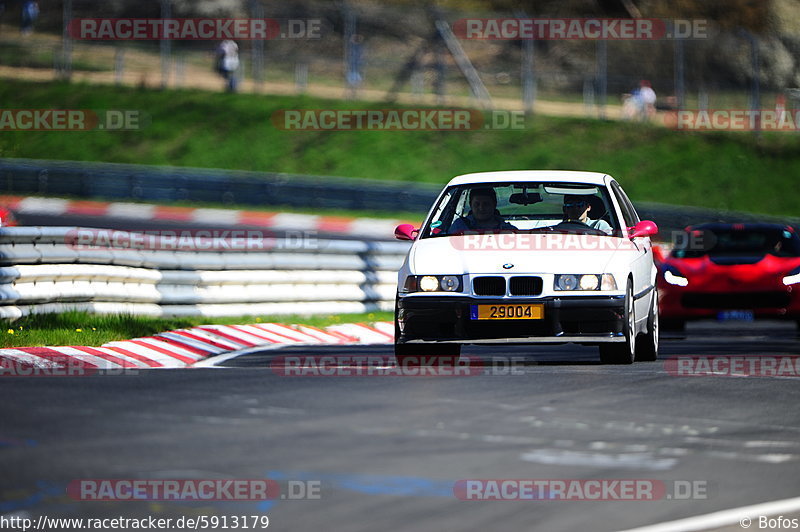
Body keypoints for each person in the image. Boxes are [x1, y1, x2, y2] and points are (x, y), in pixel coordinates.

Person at [450, 187, 516, 233]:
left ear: (494, 204)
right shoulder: (459, 226)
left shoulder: (510, 230)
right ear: (470, 204)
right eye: (477, 204)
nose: (481, 208)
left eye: (486, 204)